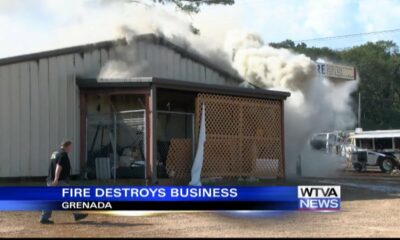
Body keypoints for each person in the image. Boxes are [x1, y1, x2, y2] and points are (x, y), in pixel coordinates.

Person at [40, 140, 88, 224]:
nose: (70, 149)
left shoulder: (55, 153)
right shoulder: (63, 154)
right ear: (67, 146)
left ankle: (44, 217)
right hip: (59, 181)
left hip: (50, 180)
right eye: (70, 147)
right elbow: (59, 166)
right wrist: (56, 179)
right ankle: (77, 214)